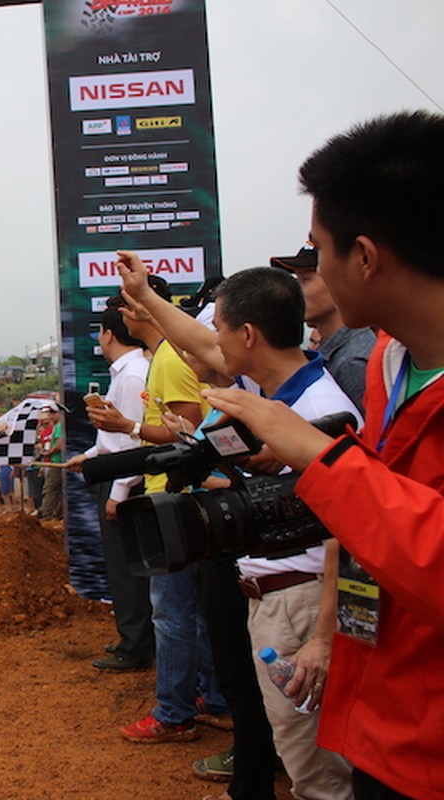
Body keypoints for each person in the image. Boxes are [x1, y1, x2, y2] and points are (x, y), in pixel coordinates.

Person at [200, 111, 444, 800]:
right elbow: (372, 536)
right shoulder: (390, 367)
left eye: (317, 251)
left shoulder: (359, 380)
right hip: (386, 720)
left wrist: (321, 458)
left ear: (364, 257)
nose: (312, 274)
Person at [119, 259, 359, 799]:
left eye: (221, 328)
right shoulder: (271, 388)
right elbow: (200, 347)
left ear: (248, 334)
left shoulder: (323, 412)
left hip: (302, 604)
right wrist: (148, 298)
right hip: (272, 600)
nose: (212, 342)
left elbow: (349, 533)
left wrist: (323, 637)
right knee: (300, 758)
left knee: (320, 774)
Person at [88, 277, 228, 743]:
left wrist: (127, 427)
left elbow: (191, 433)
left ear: (136, 311)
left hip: (175, 496)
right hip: (172, 492)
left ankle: (174, 712)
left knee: (171, 612)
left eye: (122, 306)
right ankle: (210, 696)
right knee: (193, 610)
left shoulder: (167, 358)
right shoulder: (163, 357)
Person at [61, 303, 151, 671]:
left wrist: (118, 494)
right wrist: (89, 454)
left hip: (123, 483)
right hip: (115, 473)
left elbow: (133, 442)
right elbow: (114, 437)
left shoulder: (131, 376)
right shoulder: (128, 372)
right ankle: (135, 639)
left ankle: (136, 646)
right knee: (126, 568)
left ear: (109, 335)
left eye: (100, 330)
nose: (98, 337)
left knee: (126, 569)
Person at [270, 244, 376, 410]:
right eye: (296, 281)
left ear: (338, 281)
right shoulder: (336, 350)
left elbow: (367, 433)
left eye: (305, 280)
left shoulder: (352, 362)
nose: (296, 292)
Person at [35, 403, 64, 520]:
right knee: (59, 490)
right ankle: (59, 515)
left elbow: (60, 445)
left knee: (50, 488)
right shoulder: (58, 426)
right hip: (59, 461)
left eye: (52, 413)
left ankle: (46, 515)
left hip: (57, 462)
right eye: (49, 413)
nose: (50, 415)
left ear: (59, 413)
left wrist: (48, 453)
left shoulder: (59, 426)